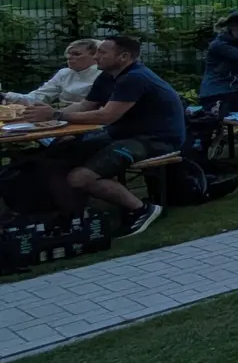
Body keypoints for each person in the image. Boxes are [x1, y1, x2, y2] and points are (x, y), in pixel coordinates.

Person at [18, 33, 184, 236]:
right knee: (57, 155)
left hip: (155, 139)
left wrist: (56, 115)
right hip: (121, 134)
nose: (96, 57)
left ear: (124, 57)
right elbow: (85, 106)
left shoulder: (134, 78)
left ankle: (141, 209)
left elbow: (106, 116)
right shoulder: (107, 76)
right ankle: (73, 216)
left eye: (102, 53)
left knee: (79, 178)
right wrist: (48, 118)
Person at [4, 39, 99, 109]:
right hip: (61, 116)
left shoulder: (102, 75)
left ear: (95, 56)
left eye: (76, 54)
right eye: (69, 54)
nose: (69, 57)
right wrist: (6, 96)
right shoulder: (64, 73)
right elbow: (39, 97)